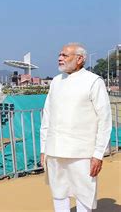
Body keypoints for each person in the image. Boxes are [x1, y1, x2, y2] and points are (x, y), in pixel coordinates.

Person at [40, 43, 112, 212]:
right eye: (60, 54)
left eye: (65, 55)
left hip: (82, 152)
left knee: (84, 193)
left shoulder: (93, 81)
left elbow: (104, 120)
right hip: (55, 149)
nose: (60, 58)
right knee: (58, 193)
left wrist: (98, 154)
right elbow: (47, 116)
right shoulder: (56, 82)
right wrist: (44, 148)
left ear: (80, 59)